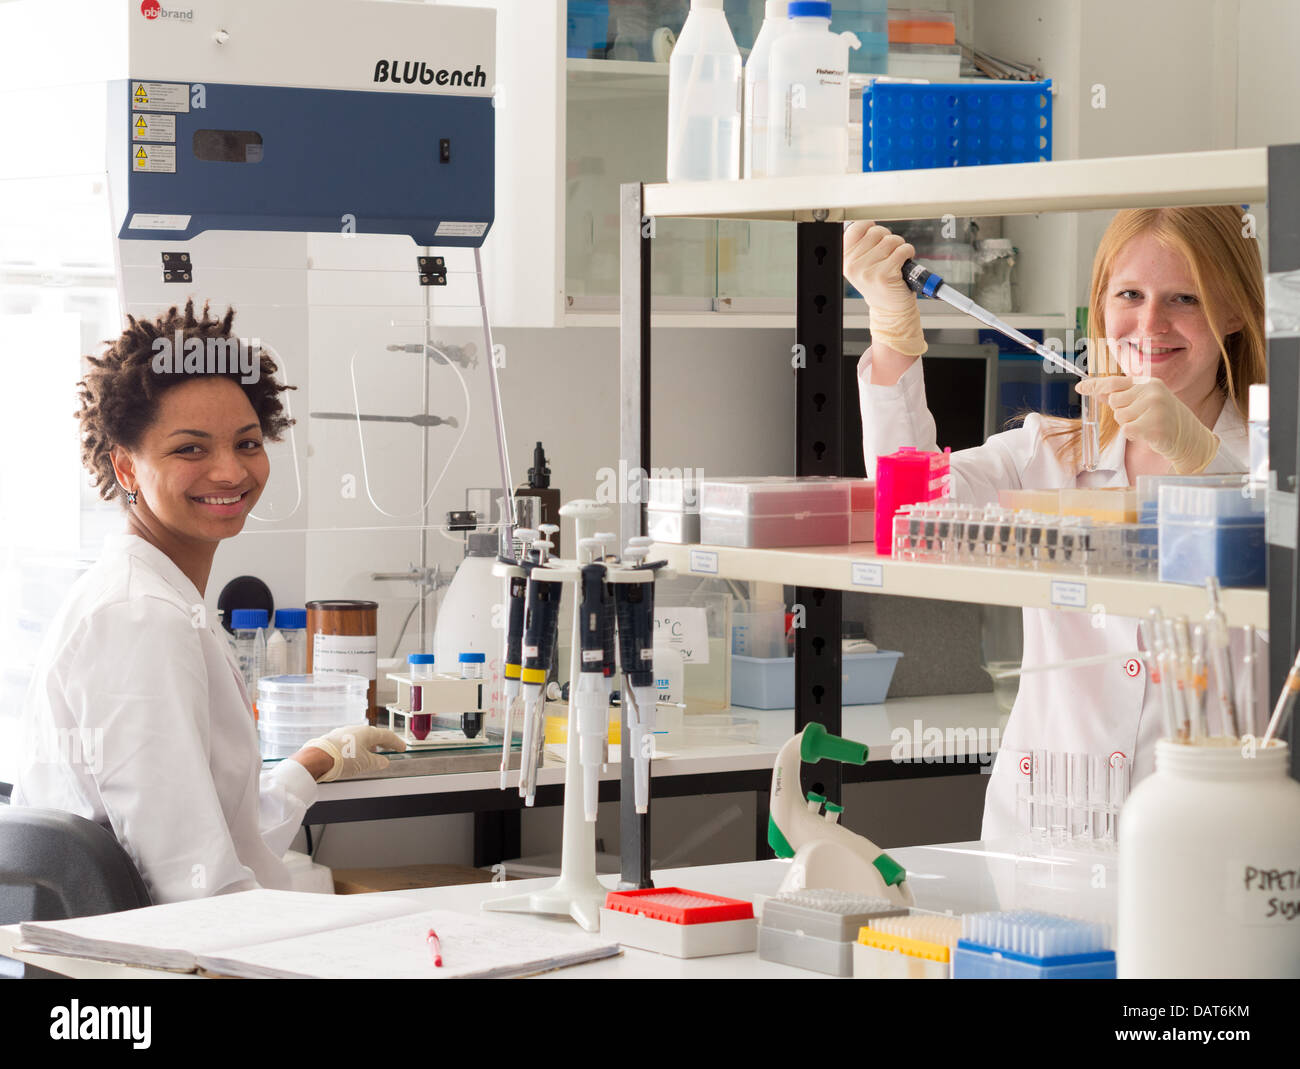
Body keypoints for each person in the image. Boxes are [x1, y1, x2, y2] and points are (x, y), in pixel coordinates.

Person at [843, 205, 1269, 841]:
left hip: (1209, 833)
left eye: (1186, 297)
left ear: (1233, 311)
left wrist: (1204, 464)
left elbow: (1268, 579)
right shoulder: (1045, 452)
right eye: (1130, 294)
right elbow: (914, 514)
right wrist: (892, 338)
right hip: (1045, 823)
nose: (1151, 324)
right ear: (1101, 303)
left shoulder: (1274, 463)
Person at [13, 301, 405, 902]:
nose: (229, 471)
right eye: (190, 450)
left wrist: (310, 762)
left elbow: (219, 838)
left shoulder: (159, 596)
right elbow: (192, 887)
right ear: (126, 467)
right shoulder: (140, 615)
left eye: (247, 443)